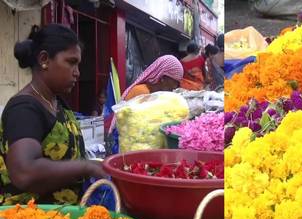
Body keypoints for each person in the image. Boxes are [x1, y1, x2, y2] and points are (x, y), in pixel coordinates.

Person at [0, 24, 106, 205]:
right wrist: (86, 167)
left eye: (78, 64)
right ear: (44, 60)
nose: (77, 73)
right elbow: (24, 173)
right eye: (71, 62)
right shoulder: (24, 109)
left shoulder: (57, 102)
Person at [107, 55, 184, 134]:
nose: (175, 87)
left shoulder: (154, 94)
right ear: (162, 78)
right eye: (175, 82)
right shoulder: (141, 92)